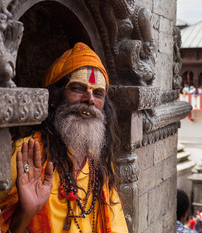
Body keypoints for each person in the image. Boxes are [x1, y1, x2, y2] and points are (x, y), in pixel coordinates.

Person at [0, 42, 128, 232]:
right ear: (54, 98)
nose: (90, 99)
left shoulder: (99, 165)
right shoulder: (25, 154)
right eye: (78, 88)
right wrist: (27, 212)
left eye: (98, 93)